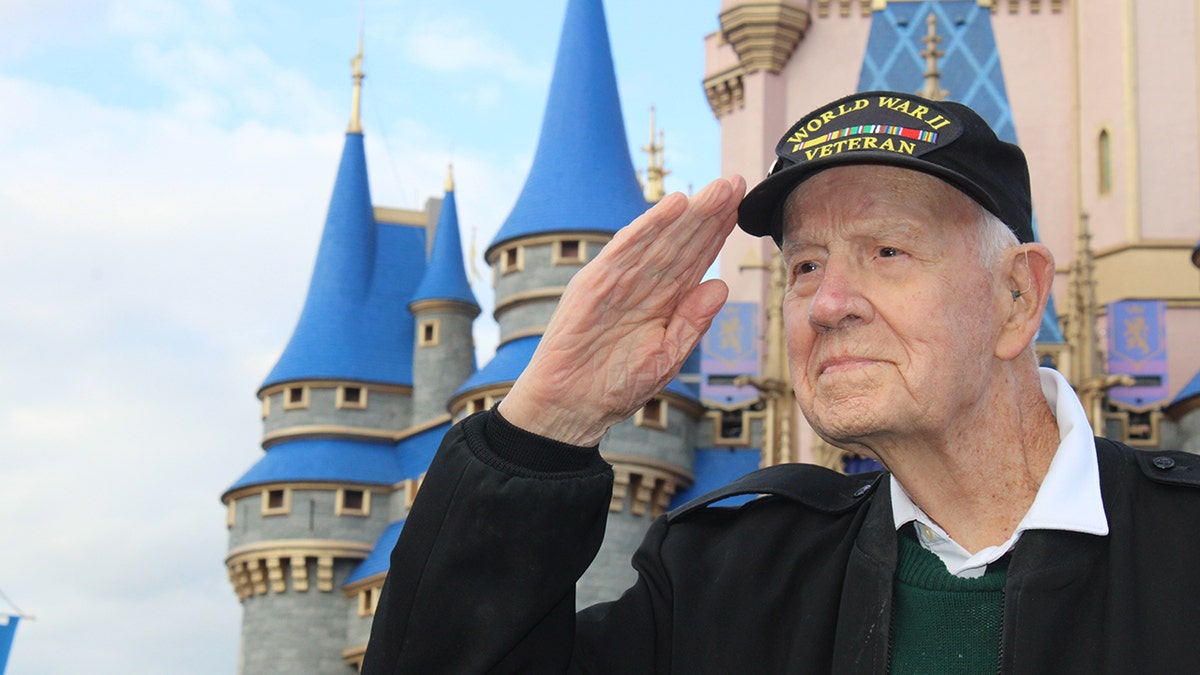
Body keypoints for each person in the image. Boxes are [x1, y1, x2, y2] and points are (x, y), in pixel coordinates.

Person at [361, 91, 1200, 674]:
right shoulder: (728, 579)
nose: (827, 302)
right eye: (804, 264)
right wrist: (541, 427)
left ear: (1017, 295)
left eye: (887, 251)